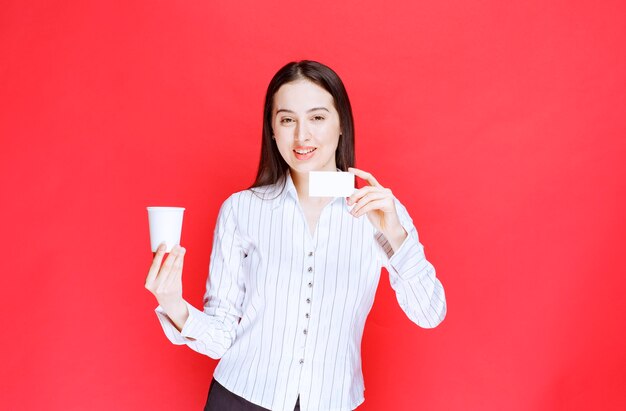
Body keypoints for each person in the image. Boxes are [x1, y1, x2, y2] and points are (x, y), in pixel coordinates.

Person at [145, 60, 447, 411]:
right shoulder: (242, 209)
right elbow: (223, 335)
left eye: (317, 118)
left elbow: (429, 314)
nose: (302, 136)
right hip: (239, 398)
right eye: (287, 120)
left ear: (340, 126)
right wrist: (174, 305)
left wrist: (395, 235)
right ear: (272, 130)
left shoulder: (378, 211)